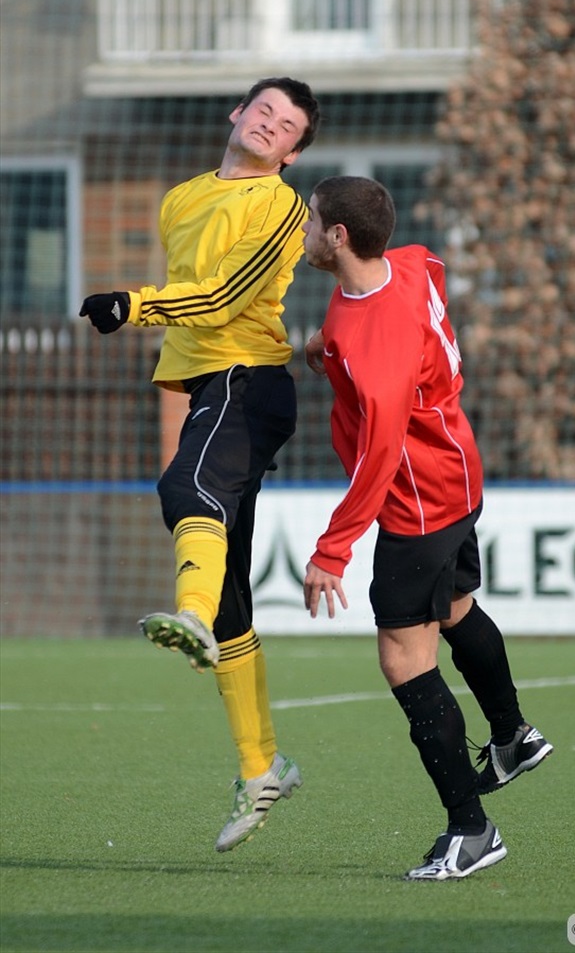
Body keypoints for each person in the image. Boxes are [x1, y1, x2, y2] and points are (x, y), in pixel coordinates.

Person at [80, 76, 320, 853]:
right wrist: (154, 316)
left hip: (251, 381)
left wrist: (133, 304)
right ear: (237, 113)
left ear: (291, 151)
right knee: (234, 603)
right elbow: (194, 294)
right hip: (210, 385)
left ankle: (186, 613)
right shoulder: (180, 198)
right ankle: (262, 766)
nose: (270, 126)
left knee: (187, 487)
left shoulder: (281, 206)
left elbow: (216, 300)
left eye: (287, 127)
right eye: (265, 111)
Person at [301, 175, 552, 882]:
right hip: (457, 471)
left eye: (313, 221)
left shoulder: (371, 336)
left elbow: (379, 456)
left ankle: (471, 830)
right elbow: (427, 273)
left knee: (402, 657)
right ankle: (513, 736)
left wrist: (332, 549)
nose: (305, 231)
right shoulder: (404, 264)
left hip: (416, 502)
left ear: (339, 237)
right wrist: (330, 356)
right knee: (455, 610)